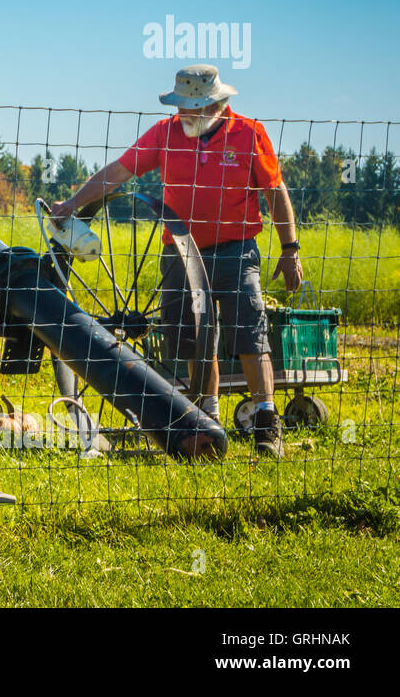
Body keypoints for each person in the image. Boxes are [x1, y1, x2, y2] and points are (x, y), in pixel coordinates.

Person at [50, 64, 303, 458]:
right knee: (193, 340)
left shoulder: (248, 134)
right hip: (180, 253)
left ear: (217, 105)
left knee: (249, 334)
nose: (185, 114)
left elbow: (275, 191)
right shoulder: (165, 134)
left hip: (235, 251)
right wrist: (73, 204)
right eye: (182, 106)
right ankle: (207, 416)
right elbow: (118, 171)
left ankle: (267, 422)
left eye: (194, 108)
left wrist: (290, 250)